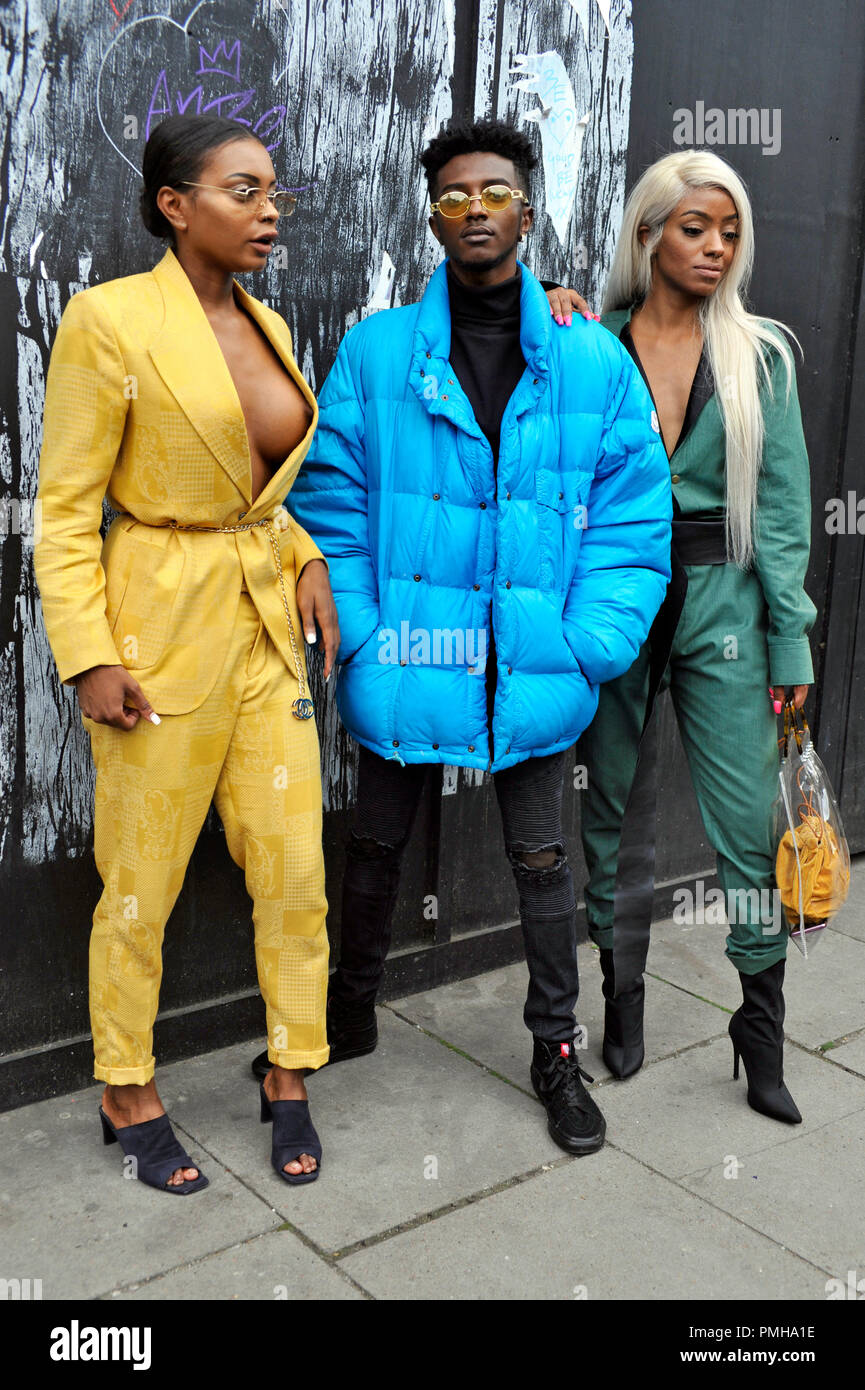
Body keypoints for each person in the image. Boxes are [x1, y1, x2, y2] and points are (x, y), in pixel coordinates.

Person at [258, 118, 672, 1157]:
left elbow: (632, 516)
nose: (474, 210)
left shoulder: (591, 360)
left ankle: (556, 1054)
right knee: (371, 845)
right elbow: (334, 498)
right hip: (405, 660)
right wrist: (357, 633)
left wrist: (584, 642)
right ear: (430, 214)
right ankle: (344, 1013)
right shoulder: (378, 349)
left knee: (543, 861)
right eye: (452, 195)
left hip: (532, 664)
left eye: (494, 193)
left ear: (527, 213)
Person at [34, 114, 339, 1191]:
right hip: (155, 634)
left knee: (294, 864)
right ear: (175, 203)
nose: (269, 212)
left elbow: (259, 490)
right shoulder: (108, 320)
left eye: (275, 195)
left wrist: (301, 553)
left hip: (264, 628)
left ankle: (290, 1067)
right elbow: (65, 511)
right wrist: (86, 657)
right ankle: (127, 1087)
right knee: (142, 879)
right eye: (243, 191)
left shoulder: (268, 324)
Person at [576, 150, 815, 1123]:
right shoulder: (591, 348)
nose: (715, 245)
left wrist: (790, 644)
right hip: (618, 597)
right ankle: (620, 999)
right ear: (648, 233)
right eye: (693, 227)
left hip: (724, 600)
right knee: (608, 814)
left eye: (728, 230)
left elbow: (788, 511)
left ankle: (759, 1026)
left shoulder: (760, 356)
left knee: (751, 825)